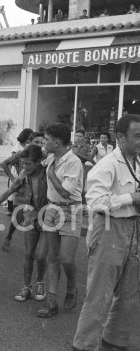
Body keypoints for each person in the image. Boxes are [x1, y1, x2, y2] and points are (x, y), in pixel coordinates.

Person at [72, 114, 140, 351]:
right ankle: (85, 346)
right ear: (121, 138)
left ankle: (114, 343)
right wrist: (131, 198)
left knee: (131, 295)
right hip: (109, 228)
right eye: (137, 136)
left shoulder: (137, 161)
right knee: (99, 296)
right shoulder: (107, 164)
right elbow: (96, 201)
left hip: (133, 229)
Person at [0, 144, 48, 302]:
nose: (25, 167)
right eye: (24, 164)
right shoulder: (24, 174)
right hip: (31, 216)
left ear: (38, 162)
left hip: (48, 217)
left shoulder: (48, 172)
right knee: (29, 254)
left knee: (41, 255)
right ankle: (27, 287)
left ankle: (40, 282)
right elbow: (10, 191)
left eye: (28, 164)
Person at [37, 123, 83, 318]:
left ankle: (71, 288)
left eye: (46, 139)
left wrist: (50, 173)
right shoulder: (50, 157)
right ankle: (52, 302)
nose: (44, 142)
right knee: (52, 257)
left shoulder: (73, 162)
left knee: (66, 258)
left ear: (56, 142)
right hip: (51, 209)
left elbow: (65, 191)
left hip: (70, 210)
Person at [0, 128, 34, 251]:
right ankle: (8, 237)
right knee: (17, 217)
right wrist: (13, 178)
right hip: (20, 187)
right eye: (32, 138)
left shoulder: (39, 153)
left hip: (34, 189)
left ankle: (32, 248)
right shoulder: (20, 151)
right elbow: (5, 163)